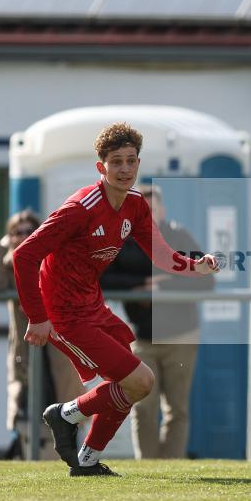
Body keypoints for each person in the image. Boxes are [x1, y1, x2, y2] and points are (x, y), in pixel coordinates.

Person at [12, 122, 219, 477]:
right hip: (63, 314)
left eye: (130, 161)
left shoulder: (136, 205)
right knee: (141, 381)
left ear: (139, 163)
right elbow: (24, 255)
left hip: (93, 306)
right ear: (101, 167)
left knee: (131, 383)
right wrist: (37, 316)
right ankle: (66, 415)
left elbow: (160, 253)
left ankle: (87, 459)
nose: (124, 169)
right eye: (116, 162)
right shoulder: (81, 208)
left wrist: (193, 267)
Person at [100, 184, 215, 459]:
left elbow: (207, 280)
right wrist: (142, 284)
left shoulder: (180, 236)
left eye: (153, 208)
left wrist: (163, 289)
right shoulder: (123, 240)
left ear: (163, 210)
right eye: (142, 208)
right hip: (141, 338)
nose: (148, 214)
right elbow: (103, 278)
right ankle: (149, 468)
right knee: (142, 406)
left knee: (177, 409)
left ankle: (171, 466)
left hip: (181, 336)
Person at [0, 210, 86, 459]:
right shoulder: (8, 265)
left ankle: (71, 461)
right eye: (18, 233)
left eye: (30, 232)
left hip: (58, 356)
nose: (24, 237)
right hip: (26, 353)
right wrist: (4, 244)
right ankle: (32, 463)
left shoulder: (54, 259)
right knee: (25, 415)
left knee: (64, 413)